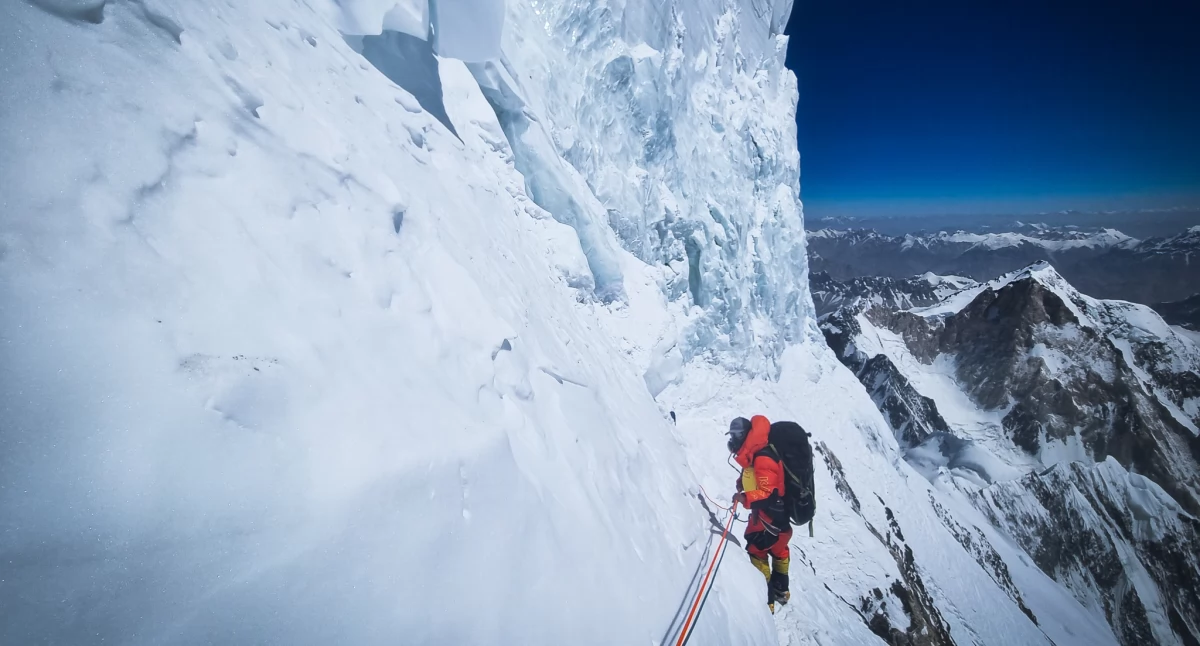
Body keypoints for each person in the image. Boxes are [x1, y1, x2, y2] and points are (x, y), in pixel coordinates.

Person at [727, 415, 791, 611]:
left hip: (769, 521)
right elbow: (753, 474)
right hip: (775, 520)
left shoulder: (762, 457)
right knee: (779, 551)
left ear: (746, 435)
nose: (733, 439)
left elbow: (769, 493)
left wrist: (745, 498)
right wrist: (742, 484)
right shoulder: (756, 454)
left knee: (757, 551)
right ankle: (781, 590)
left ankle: (766, 602)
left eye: (737, 435)